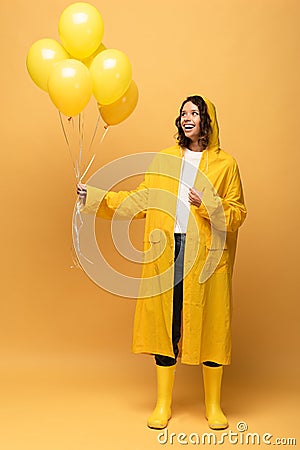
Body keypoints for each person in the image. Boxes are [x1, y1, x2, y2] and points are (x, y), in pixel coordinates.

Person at [77, 95, 247, 430]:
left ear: (207, 120)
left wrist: (206, 202)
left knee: (211, 324)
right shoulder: (164, 160)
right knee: (166, 323)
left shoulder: (226, 164)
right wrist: (94, 197)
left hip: (207, 254)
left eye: (194, 113)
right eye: (183, 113)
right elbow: (141, 200)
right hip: (167, 250)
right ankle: (163, 404)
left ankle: (214, 406)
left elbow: (238, 213)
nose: (187, 118)